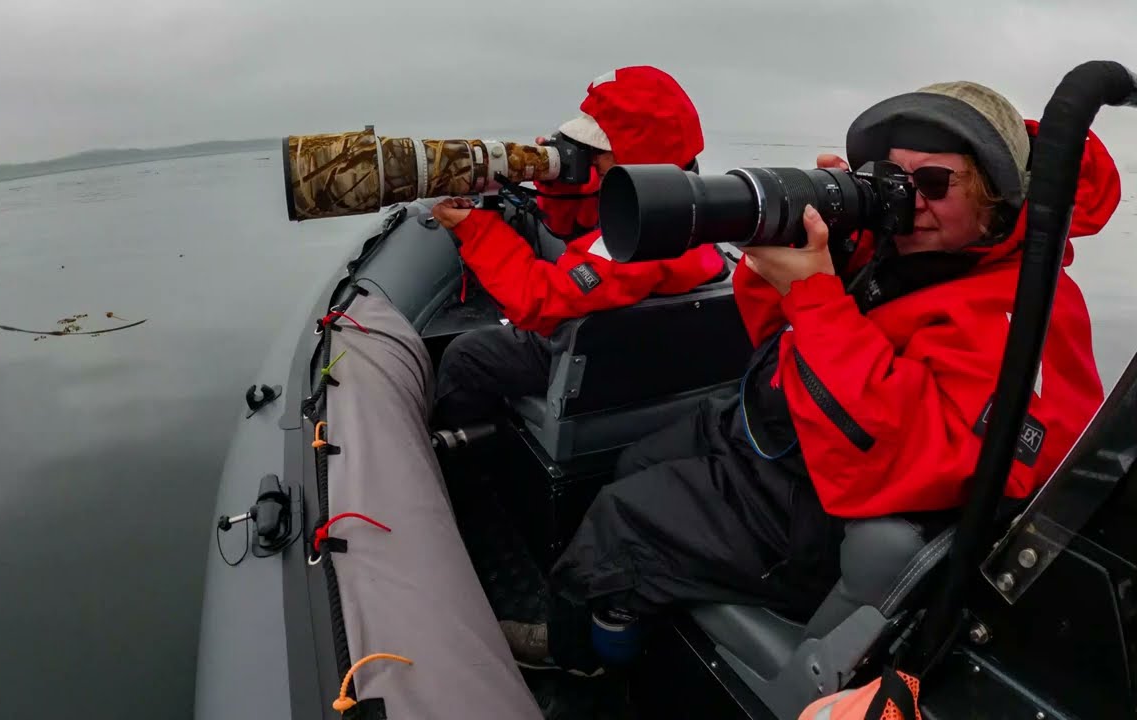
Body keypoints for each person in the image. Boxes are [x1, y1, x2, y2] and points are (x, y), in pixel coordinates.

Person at [498, 80, 1121, 674]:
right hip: (786, 435)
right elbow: (771, 332)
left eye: (934, 181)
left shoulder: (1023, 305)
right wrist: (802, 243)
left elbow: (926, 456)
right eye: (892, 179)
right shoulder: (909, 250)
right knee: (637, 460)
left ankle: (586, 654)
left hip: (837, 504)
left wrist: (819, 296)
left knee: (620, 522)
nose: (910, 201)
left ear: (996, 195)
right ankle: (642, 606)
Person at [430, 65, 726, 430]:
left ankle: (468, 457)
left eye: (599, 150)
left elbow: (536, 300)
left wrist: (477, 229)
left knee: (466, 356)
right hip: (646, 353)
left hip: (596, 356)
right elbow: (576, 232)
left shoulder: (637, 242)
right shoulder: (688, 211)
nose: (593, 158)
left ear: (639, 153)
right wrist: (558, 186)